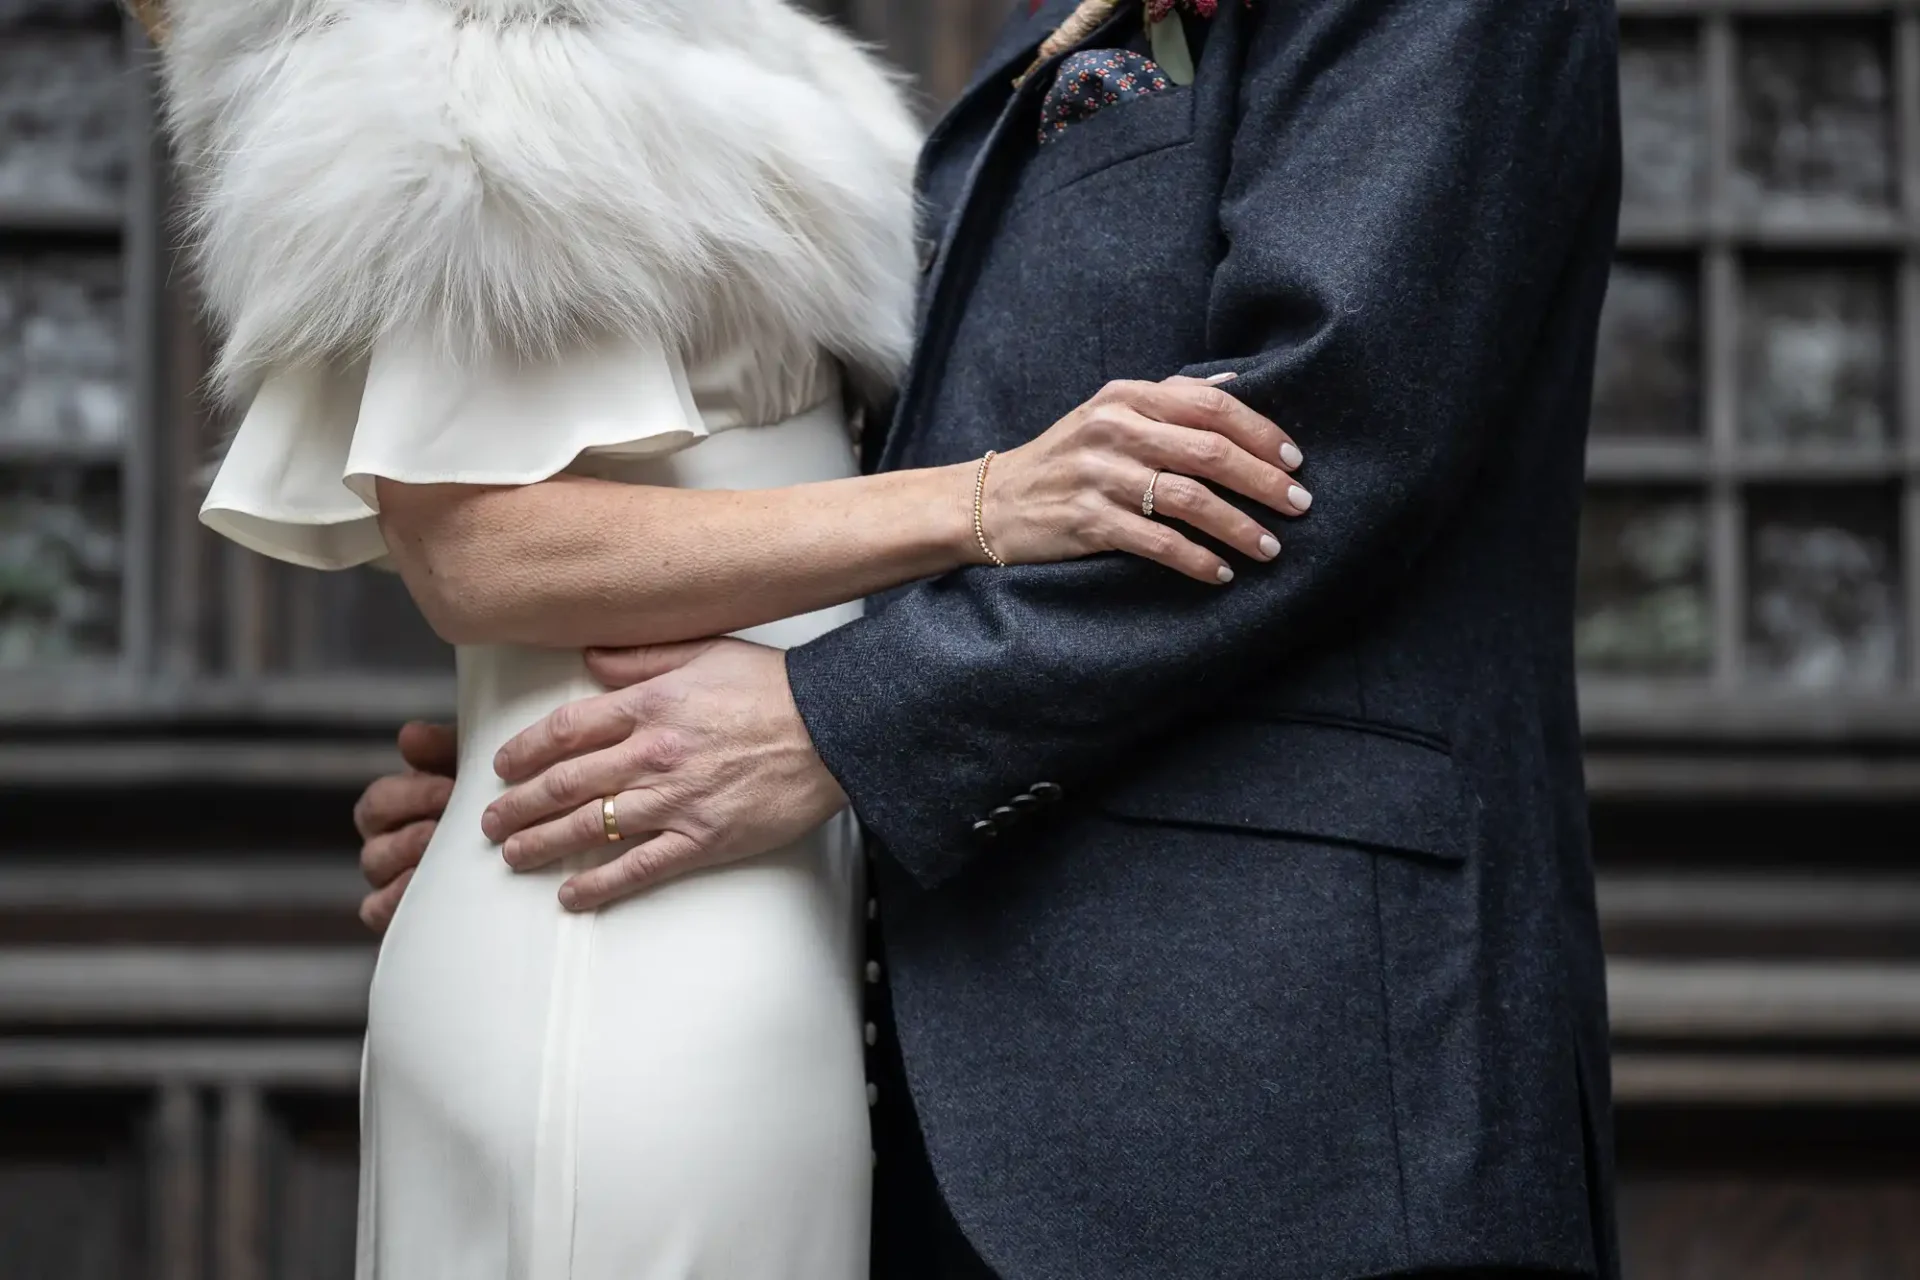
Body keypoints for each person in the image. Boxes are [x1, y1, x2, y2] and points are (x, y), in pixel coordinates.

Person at [355, 0, 1624, 1277]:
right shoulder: (998, 59)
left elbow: (1316, 444)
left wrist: (828, 720)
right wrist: (575, 758)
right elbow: (933, 505)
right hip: (959, 1087)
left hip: (1299, 1099)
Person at [147, 0, 1312, 1276]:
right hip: (631, 947)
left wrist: (513, 723)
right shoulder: (471, 53)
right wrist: (987, 499)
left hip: (753, 892)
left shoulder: (740, 44)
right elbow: (482, 551)